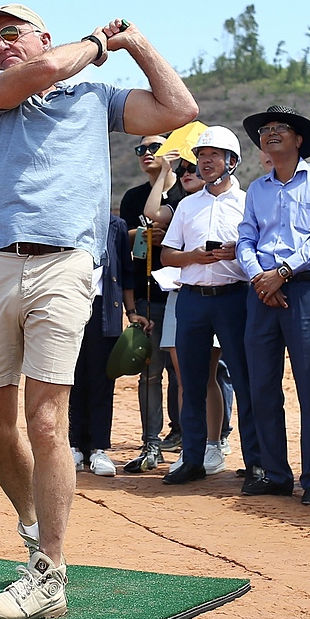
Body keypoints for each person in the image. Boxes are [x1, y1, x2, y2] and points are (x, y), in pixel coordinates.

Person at [0, 4, 195, 619]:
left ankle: (50, 573)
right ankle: (35, 522)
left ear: (41, 34)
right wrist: (97, 40)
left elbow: (179, 111)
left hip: (65, 265)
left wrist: (138, 44)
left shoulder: (97, 95)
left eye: (10, 31)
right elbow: (28, 78)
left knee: (45, 421)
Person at [236, 106, 310, 508]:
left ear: (299, 139)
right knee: (262, 385)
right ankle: (275, 474)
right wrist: (260, 278)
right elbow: (246, 239)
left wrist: (281, 271)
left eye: (280, 128)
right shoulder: (257, 189)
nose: (270, 134)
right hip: (262, 292)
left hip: (304, 290)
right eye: (265, 130)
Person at [157, 128, 257, 486]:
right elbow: (167, 254)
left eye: (214, 155)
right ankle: (193, 459)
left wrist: (238, 252)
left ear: (232, 161)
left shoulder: (248, 202)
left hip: (234, 298)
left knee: (244, 382)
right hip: (192, 300)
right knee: (192, 383)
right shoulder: (187, 204)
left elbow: (261, 253)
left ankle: (256, 463)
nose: (205, 161)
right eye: (201, 155)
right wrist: (194, 256)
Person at [118, 135, 180, 472]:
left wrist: (166, 234)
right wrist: (142, 235)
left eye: (153, 148)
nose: (145, 154)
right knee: (150, 374)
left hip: (185, 296)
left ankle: (195, 436)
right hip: (148, 295)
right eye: (140, 149)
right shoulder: (132, 198)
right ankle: (150, 444)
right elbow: (120, 235)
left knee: (188, 374)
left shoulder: (188, 191)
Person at [68, 213, 135, 478]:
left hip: (104, 306)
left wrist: (131, 312)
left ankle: (98, 448)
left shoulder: (115, 225)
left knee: (101, 379)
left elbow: (126, 273)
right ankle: (72, 445)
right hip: (69, 304)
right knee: (70, 378)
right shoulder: (65, 217)